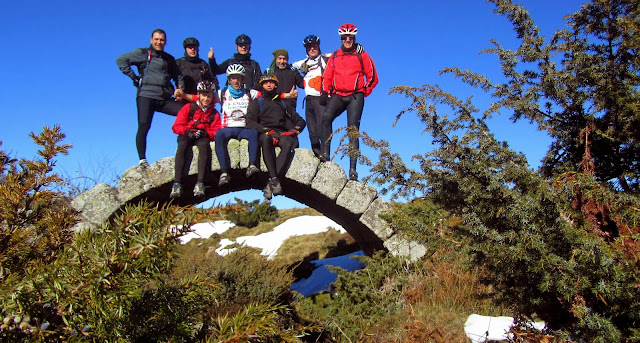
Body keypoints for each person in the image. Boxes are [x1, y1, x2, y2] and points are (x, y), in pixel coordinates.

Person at [116, 29, 184, 167]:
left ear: (165, 42)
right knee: (144, 126)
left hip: (164, 98)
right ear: (151, 40)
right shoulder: (143, 53)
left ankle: (186, 148)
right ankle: (142, 160)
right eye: (156, 39)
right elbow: (121, 60)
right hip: (146, 95)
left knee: (186, 111)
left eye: (162, 40)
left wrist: (180, 88)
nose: (159, 42)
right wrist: (133, 76)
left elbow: (178, 75)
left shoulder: (169, 59)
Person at [320, 23, 378, 181]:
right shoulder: (334, 55)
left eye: (350, 37)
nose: (347, 40)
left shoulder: (362, 55)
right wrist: (325, 91)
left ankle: (353, 169)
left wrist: (364, 91)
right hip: (338, 94)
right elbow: (328, 75)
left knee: (353, 131)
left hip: (355, 96)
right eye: (344, 37)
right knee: (326, 117)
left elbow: (372, 76)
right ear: (341, 39)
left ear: (354, 38)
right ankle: (325, 154)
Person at [245, 74, 306, 200]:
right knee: (265, 140)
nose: (268, 85)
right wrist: (267, 131)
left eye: (271, 83)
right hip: (265, 132)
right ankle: (274, 179)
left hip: (281, 132)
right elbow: (250, 122)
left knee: (288, 143)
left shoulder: (283, 104)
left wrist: (294, 131)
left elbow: (300, 121)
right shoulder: (257, 103)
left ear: (276, 85)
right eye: (265, 83)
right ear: (262, 86)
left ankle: (270, 182)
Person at [170, 81, 221, 198]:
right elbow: (176, 126)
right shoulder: (189, 107)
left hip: (203, 136)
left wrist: (206, 133)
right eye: (204, 95)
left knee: (204, 147)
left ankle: (200, 182)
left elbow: (216, 131)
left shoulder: (214, 113)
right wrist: (187, 131)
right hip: (187, 133)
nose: (206, 98)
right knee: (182, 145)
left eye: (209, 96)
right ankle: (177, 183)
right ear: (198, 95)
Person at [215, 64, 261, 187]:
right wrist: (183, 95)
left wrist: (286, 95)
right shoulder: (222, 93)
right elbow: (204, 98)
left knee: (253, 133)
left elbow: (268, 95)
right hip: (228, 128)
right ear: (229, 80)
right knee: (218, 134)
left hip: (244, 127)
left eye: (239, 78)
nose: (236, 81)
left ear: (243, 79)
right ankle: (224, 172)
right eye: (233, 78)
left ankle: (252, 165)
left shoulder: (250, 93)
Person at [175, 37, 219, 102]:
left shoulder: (203, 64)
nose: (192, 50)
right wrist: (176, 92)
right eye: (190, 48)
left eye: (194, 48)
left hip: (200, 100)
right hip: (183, 98)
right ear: (186, 49)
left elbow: (214, 80)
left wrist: (211, 95)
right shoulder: (178, 63)